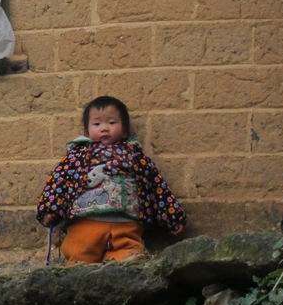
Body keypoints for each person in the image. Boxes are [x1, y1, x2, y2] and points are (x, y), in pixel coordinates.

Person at [36, 96, 185, 263]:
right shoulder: (76, 156)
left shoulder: (136, 156)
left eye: (112, 123)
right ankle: (79, 265)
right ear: (86, 131)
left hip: (127, 222)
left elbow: (156, 186)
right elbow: (59, 181)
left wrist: (173, 217)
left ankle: (126, 258)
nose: (104, 128)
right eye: (97, 124)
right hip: (86, 220)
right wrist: (49, 209)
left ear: (125, 129)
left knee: (130, 255)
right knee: (79, 252)